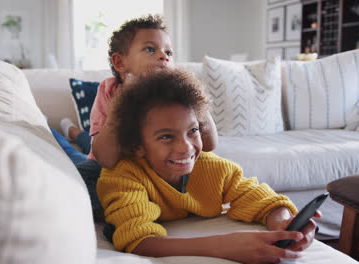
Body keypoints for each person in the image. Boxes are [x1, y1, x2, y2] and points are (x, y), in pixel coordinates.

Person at [97, 69, 322, 263]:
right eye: (166, 137)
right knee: (80, 160)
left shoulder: (212, 168)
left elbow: (260, 198)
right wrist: (224, 246)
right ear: (138, 145)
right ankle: (70, 132)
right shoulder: (122, 177)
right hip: (96, 182)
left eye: (193, 131)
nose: (186, 148)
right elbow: (137, 241)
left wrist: (283, 222)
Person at [52, 14, 218, 222]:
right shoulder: (110, 92)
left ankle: (76, 132)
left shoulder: (175, 96)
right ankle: (65, 132)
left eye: (168, 52)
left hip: (152, 172)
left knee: (85, 143)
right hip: (113, 164)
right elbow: (105, 158)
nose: (164, 57)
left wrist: (193, 94)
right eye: (151, 49)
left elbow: (210, 145)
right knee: (80, 168)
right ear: (120, 62)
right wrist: (120, 106)